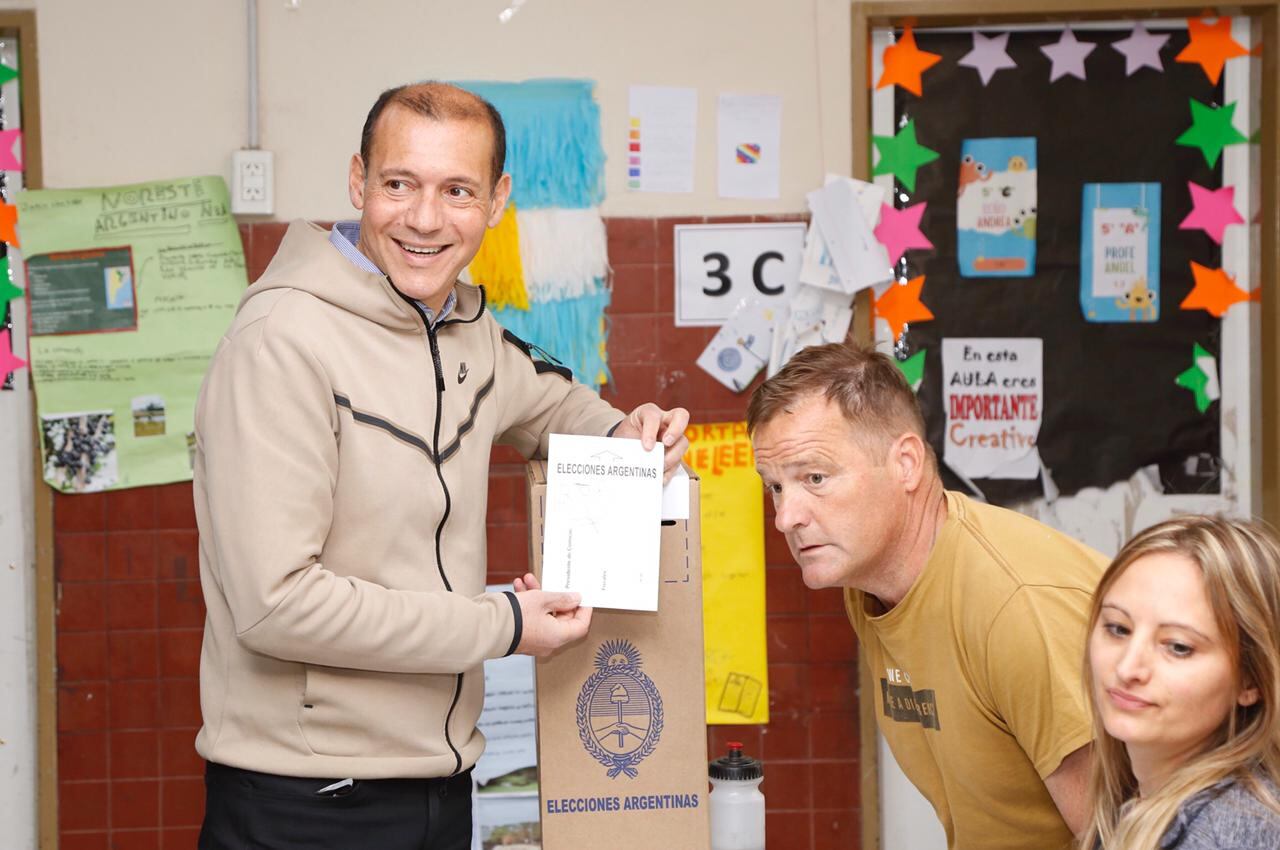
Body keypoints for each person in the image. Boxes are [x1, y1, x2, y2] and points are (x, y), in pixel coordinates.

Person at [192, 81, 688, 850]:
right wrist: (504, 624)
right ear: (358, 182)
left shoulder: (467, 329)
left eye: (458, 190)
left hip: (439, 788)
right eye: (400, 185)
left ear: (497, 201)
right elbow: (274, 605)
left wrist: (630, 431)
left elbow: (556, 411)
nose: (426, 219)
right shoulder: (280, 339)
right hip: (306, 801)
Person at [748, 341, 1105, 850]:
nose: (786, 517)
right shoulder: (870, 583)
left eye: (815, 477)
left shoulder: (1013, 606)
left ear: (907, 463)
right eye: (775, 487)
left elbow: (1123, 834)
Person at [1082, 516, 1280, 849]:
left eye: (1178, 647)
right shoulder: (1140, 800)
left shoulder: (1233, 829)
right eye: (1118, 628)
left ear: (1251, 681)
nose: (1128, 667)